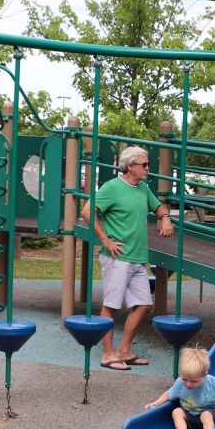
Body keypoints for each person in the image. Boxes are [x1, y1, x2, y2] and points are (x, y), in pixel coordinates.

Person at [80, 146, 174, 371]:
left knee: (143, 304)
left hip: (137, 257)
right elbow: (86, 211)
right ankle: (107, 355)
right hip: (118, 257)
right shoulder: (112, 187)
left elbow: (158, 206)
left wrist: (165, 218)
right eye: (144, 165)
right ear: (130, 166)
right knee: (111, 305)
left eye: (147, 164)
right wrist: (104, 239)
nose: (148, 168)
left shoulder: (143, 188)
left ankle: (124, 350)